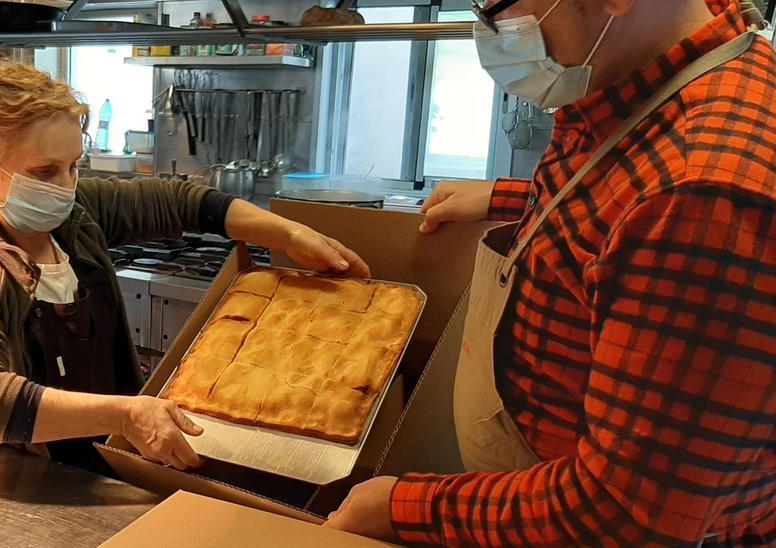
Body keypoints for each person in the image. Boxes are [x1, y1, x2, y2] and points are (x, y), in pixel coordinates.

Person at [326, 0, 775, 545]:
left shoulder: (704, 197)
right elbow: (617, 210)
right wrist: (508, 197)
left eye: (499, 5)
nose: (488, 30)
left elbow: (622, 517)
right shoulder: (639, 85)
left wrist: (401, 507)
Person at [0, 62, 371, 473]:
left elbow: (181, 201)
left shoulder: (76, 216)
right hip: (28, 476)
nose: (66, 186)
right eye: (44, 172)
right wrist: (124, 414)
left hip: (111, 460)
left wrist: (287, 234)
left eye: (74, 165)